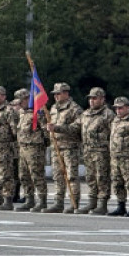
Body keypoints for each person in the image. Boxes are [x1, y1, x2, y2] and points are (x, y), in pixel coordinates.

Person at [45, 83, 82, 214]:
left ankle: (74, 203)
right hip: (56, 147)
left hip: (69, 147)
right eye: (54, 94)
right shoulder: (54, 108)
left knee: (71, 176)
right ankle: (58, 202)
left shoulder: (74, 109)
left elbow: (77, 128)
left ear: (66, 93)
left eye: (58, 93)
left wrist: (57, 128)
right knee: (57, 176)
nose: (56, 96)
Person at [78, 88, 111, 215]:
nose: (91, 101)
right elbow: (76, 127)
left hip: (101, 152)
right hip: (88, 152)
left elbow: (112, 134)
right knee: (90, 178)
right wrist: (57, 128)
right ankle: (92, 202)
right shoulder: (86, 114)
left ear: (102, 99)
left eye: (94, 98)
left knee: (102, 178)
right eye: (90, 98)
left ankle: (102, 204)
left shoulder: (108, 115)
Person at [15, 88, 48, 212]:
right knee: (23, 175)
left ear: (27, 99)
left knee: (37, 175)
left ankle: (42, 201)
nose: (19, 104)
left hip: (35, 148)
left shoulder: (38, 112)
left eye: (21, 101)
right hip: (23, 148)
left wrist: (42, 145)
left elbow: (45, 131)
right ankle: (29, 199)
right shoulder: (22, 113)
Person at [107, 96, 129, 216]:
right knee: (117, 182)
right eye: (116, 108)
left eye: (121, 108)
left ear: (127, 107)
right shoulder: (115, 121)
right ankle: (120, 206)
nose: (118, 111)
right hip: (115, 157)